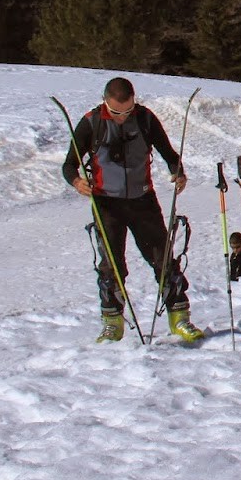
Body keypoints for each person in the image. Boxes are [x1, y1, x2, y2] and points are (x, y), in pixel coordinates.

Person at [61, 77, 201, 344]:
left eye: (127, 111)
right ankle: (112, 323)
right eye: (116, 112)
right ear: (105, 102)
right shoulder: (91, 122)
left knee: (163, 260)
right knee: (111, 265)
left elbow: (169, 154)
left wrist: (178, 172)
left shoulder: (145, 119)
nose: (123, 117)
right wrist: (78, 182)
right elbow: (69, 165)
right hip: (106, 203)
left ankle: (179, 317)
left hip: (142, 200)